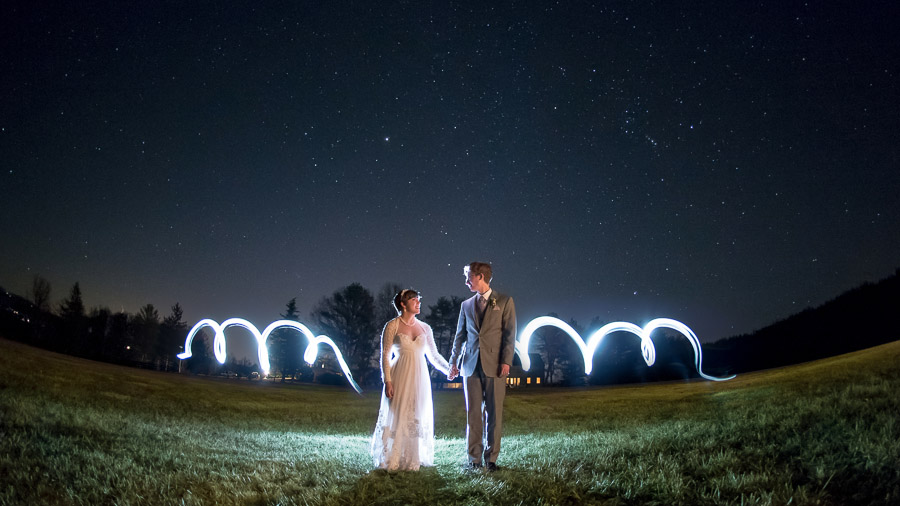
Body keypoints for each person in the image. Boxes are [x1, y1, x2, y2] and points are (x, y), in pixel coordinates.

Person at [448, 262, 516, 472]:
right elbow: (460, 336)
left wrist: (506, 361)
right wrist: (453, 362)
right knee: (473, 415)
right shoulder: (466, 305)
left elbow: (509, 334)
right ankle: (474, 459)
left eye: (469, 277)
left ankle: (491, 459)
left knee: (494, 414)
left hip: (495, 366)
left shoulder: (504, 301)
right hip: (470, 366)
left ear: (480, 276)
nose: (467, 281)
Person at [371, 288, 450, 471]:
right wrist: (387, 380)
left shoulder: (425, 328)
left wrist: (450, 370)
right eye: (414, 300)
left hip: (420, 376)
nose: (418, 303)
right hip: (400, 373)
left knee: (417, 413)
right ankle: (394, 456)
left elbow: (434, 356)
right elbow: (385, 355)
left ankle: (414, 457)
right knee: (399, 413)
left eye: (418, 300)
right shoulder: (392, 326)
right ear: (403, 304)